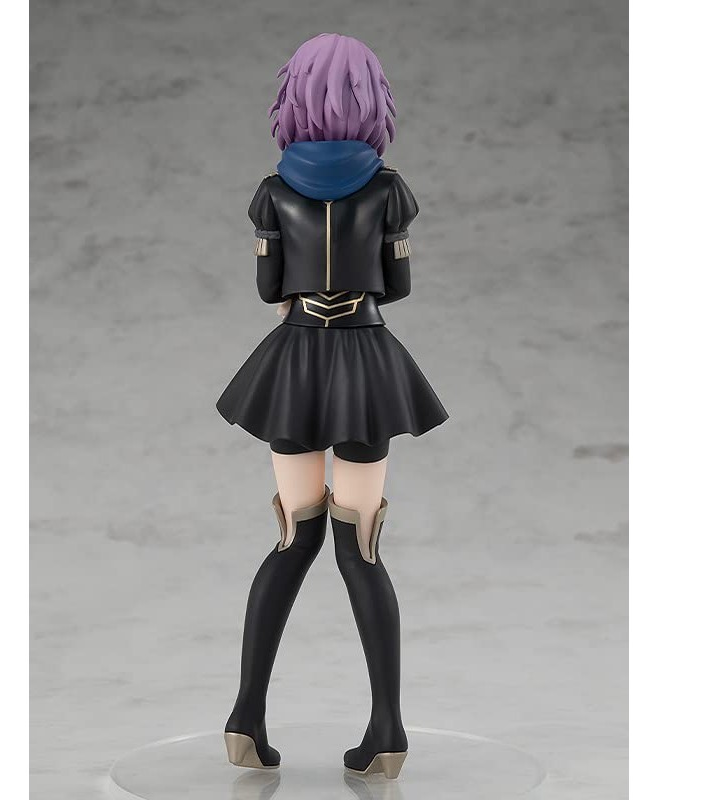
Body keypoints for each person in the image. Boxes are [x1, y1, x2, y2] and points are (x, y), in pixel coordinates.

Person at [217, 33, 448, 779]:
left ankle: (245, 717)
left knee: (294, 536)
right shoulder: (389, 190)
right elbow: (398, 287)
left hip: (295, 363)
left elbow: (268, 290)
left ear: (293, 99)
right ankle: (387, 731)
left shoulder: (271, 192)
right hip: (365, 360)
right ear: (373, 100)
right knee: (363, 544)